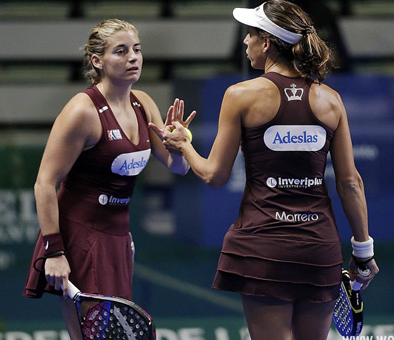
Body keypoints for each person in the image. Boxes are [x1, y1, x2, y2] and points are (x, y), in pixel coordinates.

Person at [151, 1, 378, 339]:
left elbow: (214, 175)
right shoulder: (331, 100)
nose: (245, 42)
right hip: (319, 250)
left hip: (263, 249)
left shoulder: (241, 95)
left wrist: (183, 144)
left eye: (250, 35)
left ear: (267, 42)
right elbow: (350, 184)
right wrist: (363, 251)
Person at [23, 19, 194, 340]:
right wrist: (54, 251)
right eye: (121, 51)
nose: (133, 58)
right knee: (94, 334)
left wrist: (180, 144)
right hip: (79, 237)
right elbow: (44, 183)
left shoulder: (143, 103)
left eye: (137, 50)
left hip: (117, 236)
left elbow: (177, 167)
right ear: (97, 60)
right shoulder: (81, 111)